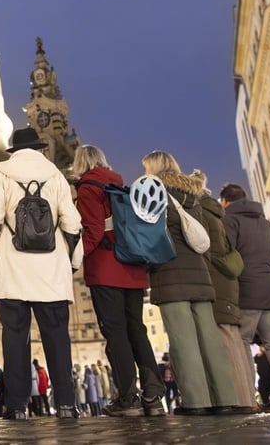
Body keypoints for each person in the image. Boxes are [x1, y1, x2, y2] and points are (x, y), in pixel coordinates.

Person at [0, 127, 82, 420]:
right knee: (57, 338)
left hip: (12, 270)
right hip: (50, 271)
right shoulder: (55, 175)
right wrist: (71, 260)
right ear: (39, 149)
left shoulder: (1, 172)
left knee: (14, 339)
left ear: (14, 149)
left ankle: (17, 405)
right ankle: (65, 403)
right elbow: (72, 223)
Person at [73, 144, 166, 417]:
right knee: (137, 329)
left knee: (116, 334)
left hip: (105, 269)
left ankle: (128, 398)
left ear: (81, 163)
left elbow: (93, 231)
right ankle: (153, 394)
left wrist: (73, 260)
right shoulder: (122, 186)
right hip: (133, 268)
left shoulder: (88, 189)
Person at [143, 151, 237, 415]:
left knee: (183, 340)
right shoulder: (193, 193)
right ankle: (225, 398)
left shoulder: (154, 189)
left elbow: (150, 231)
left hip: (170, 272)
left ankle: (196, 402)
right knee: (209, 340)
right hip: (199, 272)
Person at [220, 183, 270, 414]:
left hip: (246, 290)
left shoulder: (230, 221)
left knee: (242, 342)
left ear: (225, 201)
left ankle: (248, 398)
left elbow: (227, 249)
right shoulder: (265, 222)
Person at [191, 169, 256, 413]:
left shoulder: (205, 215)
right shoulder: (217, 214)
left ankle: (238, 400)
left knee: (226, 344)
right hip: (228, 284)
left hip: (217, 284)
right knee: (234, 343)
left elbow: (208, 251)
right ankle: (247, 397)